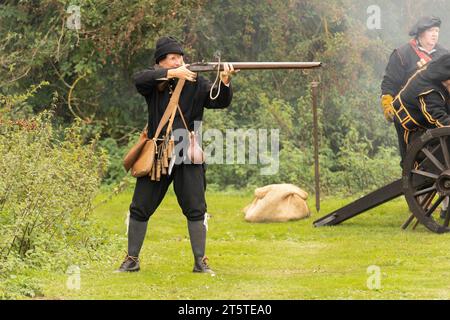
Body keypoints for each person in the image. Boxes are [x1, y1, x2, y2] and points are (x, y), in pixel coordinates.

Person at [116, 36, 235, 274]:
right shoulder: (155, 81)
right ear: (161, 62)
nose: (179, 60)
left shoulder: (196, 82)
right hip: (158, 151)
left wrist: (224, 80)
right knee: (140, 206)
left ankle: (200, 262)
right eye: (173, 58)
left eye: (180, 57)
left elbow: (218, 101)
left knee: (196, 208)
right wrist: (172, 74)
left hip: (186, 149)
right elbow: (140, 79)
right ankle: (132, 259)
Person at [381, 16, 447, 125]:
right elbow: (390, 82)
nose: (435, 34)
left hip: (438, 109)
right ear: (420, 33)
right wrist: (387, 103)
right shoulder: (402, 54)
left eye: (437, 31)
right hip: (410, 112)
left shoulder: (444, 55)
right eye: (430, 31)